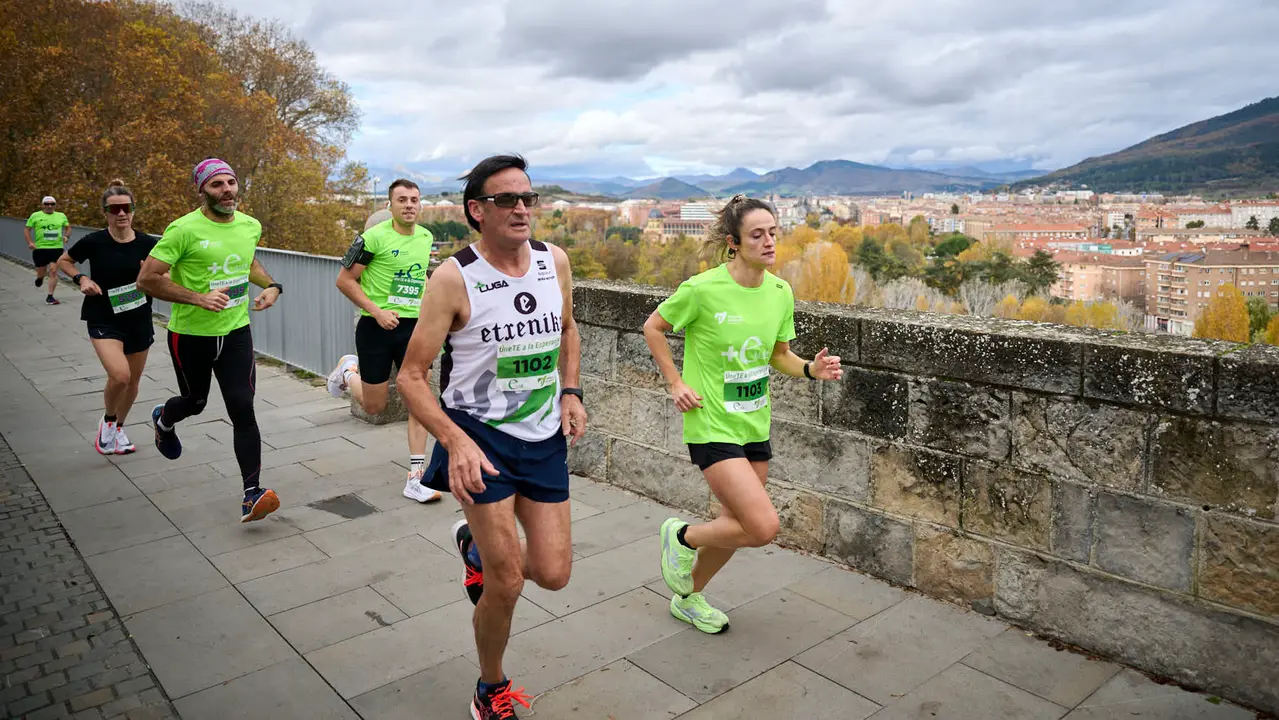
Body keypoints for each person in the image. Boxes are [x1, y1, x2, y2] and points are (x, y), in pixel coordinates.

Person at [396, 154, 587, 720]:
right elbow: (411, 376)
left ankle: (474, 547)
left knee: (552, 574)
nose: (522, 209)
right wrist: (455, 442)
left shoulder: (556, 261)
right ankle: (490, 687)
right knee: (506, 581)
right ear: (477, 211)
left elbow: (569, 328)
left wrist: (571, 391)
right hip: (482, 438)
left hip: (544, 434)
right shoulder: (454, 277)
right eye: (507, 200)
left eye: (528, 198)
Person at [643, 194, 842, 634]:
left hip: (754, 423)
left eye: (773, 232)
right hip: (711, 423)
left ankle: (689, 597)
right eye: (757, 234)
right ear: (734, 242)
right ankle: (681, 536)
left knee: (737, 525)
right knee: (763, 525)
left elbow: (780, 355)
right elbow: (653, 327)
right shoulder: (703, 289)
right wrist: (675, 382)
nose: (769, 241)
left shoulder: (779, 292)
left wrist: (811, 368)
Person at [137, 158, 284, 523]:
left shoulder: (250, 225)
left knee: (242, 407)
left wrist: (272, 286)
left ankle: (252, 493)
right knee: (195, 401)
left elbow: (247, 263)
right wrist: (198, 298)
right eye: (217, 184)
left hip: (235, 332)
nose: (227, 190)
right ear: (202, 189)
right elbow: (148, 279)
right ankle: (164, 420)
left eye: (231, 182)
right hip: (190, 335)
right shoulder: (183, 229)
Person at [326, 179, 441, 503]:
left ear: (420, 205)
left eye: (414, 200)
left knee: (419, 398)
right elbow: (344, 280)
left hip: (414, 328)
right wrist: (376, 312)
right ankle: (349, 372)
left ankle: (416, 476)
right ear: (389, 205)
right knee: (375, 406)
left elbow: (418, 277)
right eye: (402, 200)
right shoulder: (373, 238)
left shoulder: (425, 237)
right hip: (376, 327)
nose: (409, 205)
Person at [57, 180, 158, 454]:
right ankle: (109, 420)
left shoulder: (149, 244)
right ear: (106, 213)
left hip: (138, 319)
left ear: (134, 210)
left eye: (126, 207)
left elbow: (168, 277)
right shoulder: (95, 241)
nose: (121, 213)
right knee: (121, 376)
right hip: (104, 318)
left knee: (133, 383)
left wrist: (148, 278)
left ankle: (117, 429)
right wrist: (82, 278)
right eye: (115, 209)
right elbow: (64, 262)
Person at [25, 195, 71, 305]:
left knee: (53, 271)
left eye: (52, 204)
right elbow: (27, 229)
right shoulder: (35, 215)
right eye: (46, 204)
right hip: (40, 248)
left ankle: (50, 297)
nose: (49, 206)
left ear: (55, 205)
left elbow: (68, 227)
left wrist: (66, 236)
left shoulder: (61, 216)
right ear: (42, 205)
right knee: (41, 272)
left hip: (56, 248)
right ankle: (39, 278)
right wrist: (30, 242)